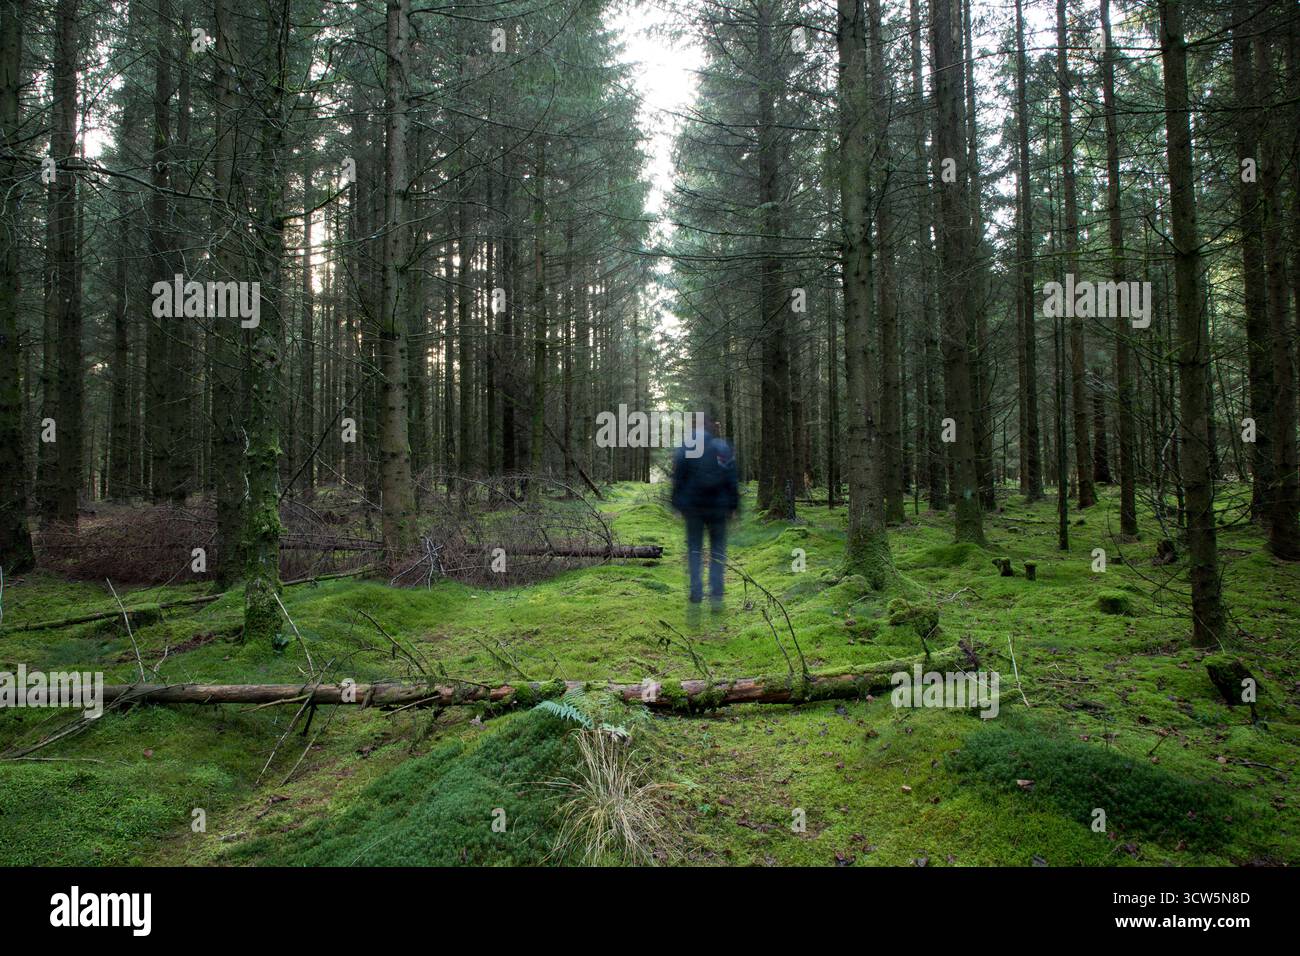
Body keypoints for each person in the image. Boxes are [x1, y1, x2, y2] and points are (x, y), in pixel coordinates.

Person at [670, 417, 739, 609]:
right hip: (718, 508)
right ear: (710, 429)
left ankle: (696, 592)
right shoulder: (722, 447)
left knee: (694, 549)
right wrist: (733, 506)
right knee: (717, 550)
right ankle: (716, 594)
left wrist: (677, 504)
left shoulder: (686, 447)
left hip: (693, 509)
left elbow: (678, 478)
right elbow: (731, 478)